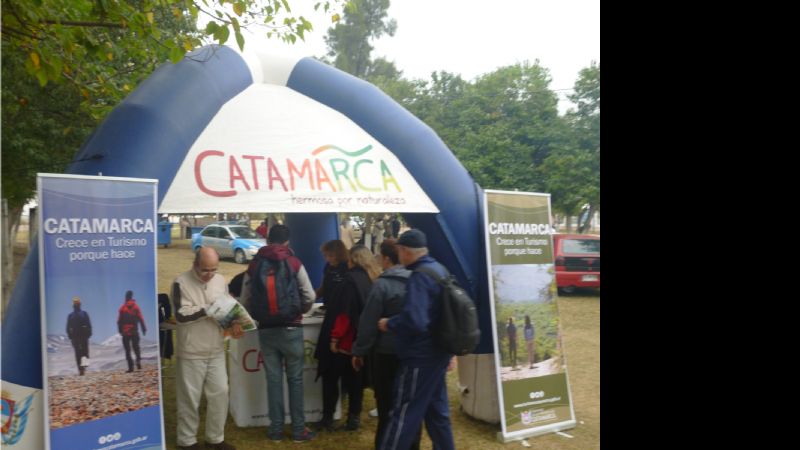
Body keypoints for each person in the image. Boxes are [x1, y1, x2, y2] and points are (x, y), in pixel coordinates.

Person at [377, 229, 455, 450]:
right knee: (437, 413)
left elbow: (416, 321)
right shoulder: (439, 269)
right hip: (438, 354)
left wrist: (389, 323)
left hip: (419, 357)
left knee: (403, 413)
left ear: (404, 251)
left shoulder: (420, 277)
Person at [240, 224, 317, 442]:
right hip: (292, 327)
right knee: (295, 380)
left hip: (266, 329)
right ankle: (299, 431)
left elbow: (245, 299)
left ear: (267, 240)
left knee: (273, 380)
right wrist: (300, 310)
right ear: (287, 242)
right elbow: (309, 294)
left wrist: (257, 315)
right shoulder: (294, 262)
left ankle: (275, 431)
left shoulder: (254, 265)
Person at [351, 239, 422, 450]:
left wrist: (359, 351)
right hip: (414, 353)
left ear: (387, 259)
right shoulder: (419, 281)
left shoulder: (382, 285)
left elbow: (368, 322)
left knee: (386, 405)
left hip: (386, 353)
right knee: (411, 405)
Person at [172, 247, 243, 450]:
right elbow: (180, 315)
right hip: (191, 351)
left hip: (216, 348)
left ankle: (215, 439)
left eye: (213, 269)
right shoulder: (180, 282)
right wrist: (207, 309)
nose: (209, 274)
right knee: (189, 399)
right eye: (205, 270)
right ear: (195, 264)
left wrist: (234, 321)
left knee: (220, 393)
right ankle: (186, 441)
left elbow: (227, 306)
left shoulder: (220, 281)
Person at [324, 244, 380, 432]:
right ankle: (353, 418)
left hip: (346, 341)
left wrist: (334, 338)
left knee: (333, 378)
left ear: (353, 259)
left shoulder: (349, 282)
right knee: (355, 380)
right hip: (362, 340)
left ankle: (329, 418)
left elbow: (344, 315)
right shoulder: (371, 280)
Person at [313, 239, 350, 430]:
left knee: (347, 373)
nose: (327, 259)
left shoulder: (348, 269)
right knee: (328, 371)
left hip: (345, 324)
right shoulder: (329, 268)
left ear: (338, 253)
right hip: (330, 319)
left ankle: (350, 415)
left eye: (330, 255)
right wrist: (312, 297)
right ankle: (328, 414)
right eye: (325, 256)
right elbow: (324, 288)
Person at [117, 290, 147, 373]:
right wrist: (143, 328)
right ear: (131, 297)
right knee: (136, 347)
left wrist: (120, 330)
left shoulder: (122, 308)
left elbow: (119, 321)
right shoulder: (136, 307)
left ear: (126, 297)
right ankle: (138, 360)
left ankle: (130, 367)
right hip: (134, 331)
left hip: (125, 332)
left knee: (127, 350)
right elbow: (141, 318)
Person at [66, 296, 92, 376]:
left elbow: (88, 324)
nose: (77, 305)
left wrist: (89, 333)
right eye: (76, 304)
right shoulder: (79, 314)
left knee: (81, 353)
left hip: (79, 336)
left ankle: (82, 368)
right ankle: (82, 368)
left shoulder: (77, 314)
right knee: (82, 352)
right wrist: (89, 333)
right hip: (79, 336)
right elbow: (68, 327)